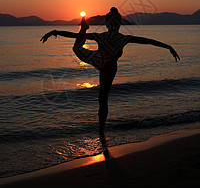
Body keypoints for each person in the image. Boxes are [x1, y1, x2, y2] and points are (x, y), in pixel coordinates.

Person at [40, 7, 180, 139]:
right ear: (119, 24)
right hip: (106, 65)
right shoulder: (123, 38)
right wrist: (168, 47)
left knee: (77, 49)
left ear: (108, 24)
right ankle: (101, 130)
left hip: (101, 63)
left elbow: (73, 35)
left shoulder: (103, 36)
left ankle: (101, 130)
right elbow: (148, 41)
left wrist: (55, 32)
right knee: (103, 99)